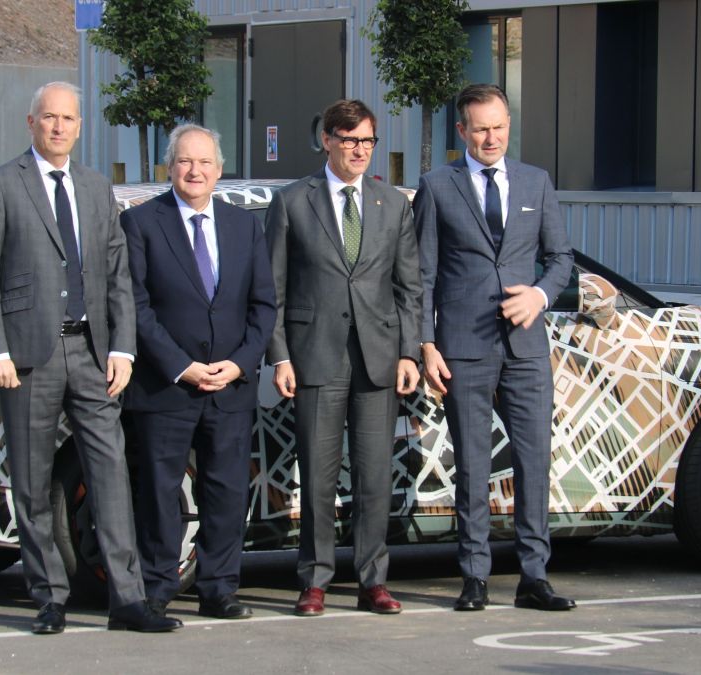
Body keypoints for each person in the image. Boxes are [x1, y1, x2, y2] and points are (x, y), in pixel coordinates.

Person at [0, 81, 177, 635]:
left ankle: (128, 601)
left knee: (110, 475)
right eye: (49, 118)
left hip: (91, 352)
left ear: (80, 127)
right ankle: (48, 597)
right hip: (28, 356)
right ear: (31, 122)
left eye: (68, 119)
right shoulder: (1, 184)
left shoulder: (93, 186)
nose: (59, 127)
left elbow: (116, 275)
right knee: (33, 482)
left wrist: (123, 347)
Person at [414, 83, 576, 612]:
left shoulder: (537, 181)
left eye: (500, 126)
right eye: (481, 128)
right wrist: (427, 344)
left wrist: (539, 295)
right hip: (463, 347)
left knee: (534, 462)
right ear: (461, 131)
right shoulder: (438, 187)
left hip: (526, 349)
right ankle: (475, 577)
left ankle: (534, 576)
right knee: (474, 467)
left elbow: (560, 259)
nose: (492, 137)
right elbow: (423, 276)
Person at [265, 99, 422, 617]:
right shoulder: (291, 202)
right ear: (327, 139)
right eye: (350, 139)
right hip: (316, 358)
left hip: (377, 360)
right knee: (318, 476)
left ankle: (372, 581)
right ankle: (314, 581)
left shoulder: (393, 204)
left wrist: (408, 351)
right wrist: (281, 356)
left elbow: (409, 289)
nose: (359, 150)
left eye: (368, 141)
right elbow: (275, 291)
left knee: (375, 476)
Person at [120, 124, 276, 620]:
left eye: (205, 162)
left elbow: (264, 303)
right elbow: (136, 307)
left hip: (229, 385)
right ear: (171, 167)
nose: (195, 171)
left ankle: (219, 589)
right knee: (160, 493)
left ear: (219, 169)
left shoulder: (244, 225)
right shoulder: (142, 223)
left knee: (227, 491)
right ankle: (158, 588)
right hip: (165, 386)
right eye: (186, 162)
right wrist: (181, 366)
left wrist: (241, 362)